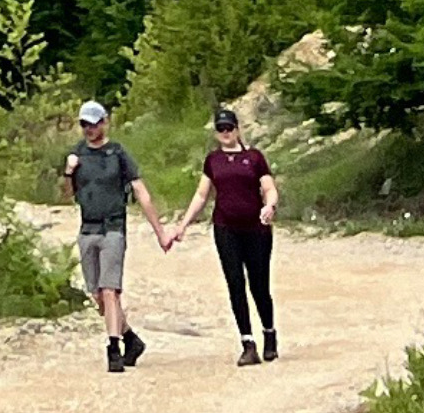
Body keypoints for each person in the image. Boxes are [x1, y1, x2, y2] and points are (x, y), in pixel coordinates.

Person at [61, 97, 169, 369]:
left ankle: (113, 348)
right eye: (85, 124)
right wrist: (67, 172)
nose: (89, 129)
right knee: (97, 295)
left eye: (94, 123)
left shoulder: (118, 154)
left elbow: (141, 192)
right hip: (88, 228)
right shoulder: (77, 154)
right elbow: (66, 196)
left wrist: (160, 231)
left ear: (105, 123)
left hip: (113, 227)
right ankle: (131, 337)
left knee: (110, 291)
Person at [186, 101, 278, 363]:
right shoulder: (213, 161)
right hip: (226, 227)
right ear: (216, 133)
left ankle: (269, 333)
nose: (225, 133)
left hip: (256, 228)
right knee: (235, 283)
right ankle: (247, 343)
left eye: (229, 128)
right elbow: (202, 194)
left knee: (259, 285)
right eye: (221, 129)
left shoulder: (254, 158)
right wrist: (183, 224)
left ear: (237, 130)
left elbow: (269, 187)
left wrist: (270, 205)